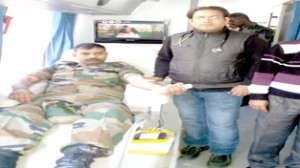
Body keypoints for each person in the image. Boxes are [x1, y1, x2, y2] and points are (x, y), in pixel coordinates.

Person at [0, 43, 188, 168]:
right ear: (76, 54)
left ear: (105, 54)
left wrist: (158, 89)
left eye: (98, 53)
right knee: (17, 112)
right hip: (51, 101)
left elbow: (135, 79)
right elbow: (28, 78)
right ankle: (4, 155)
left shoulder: (118, 66)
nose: (93, 56)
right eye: (86, 53)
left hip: (100, 103)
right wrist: (20, 88)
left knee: (112, 113)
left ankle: (77, 158)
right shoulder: (60, 66)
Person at [152, 6, 269, 167]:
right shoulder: (176, 38)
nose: (206, 20)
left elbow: (260, 63)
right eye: (201, 17)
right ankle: (197, 143)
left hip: (225, 90)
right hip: (184, 88)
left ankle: (222, 151)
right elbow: (164, 58)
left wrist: (247, 85)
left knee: (222, 123)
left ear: (226, 20)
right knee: (191, 119)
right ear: (191, 21)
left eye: (213, 17)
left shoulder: (246, 39)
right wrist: (159, 75)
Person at [247, 40, 300, 168]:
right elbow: (264, 71)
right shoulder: (287, 47)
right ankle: (260, 164)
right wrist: (258, 96)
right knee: (269, 134)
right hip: (283, 98)